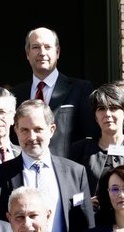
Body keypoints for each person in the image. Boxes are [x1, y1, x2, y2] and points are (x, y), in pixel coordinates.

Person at [0, 99, 95, 232]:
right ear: (16, 131)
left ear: (51, 130)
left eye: (38, 129)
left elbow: (86, 226)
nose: (32, 137)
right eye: (24, 130)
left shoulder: (75, 172)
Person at [68, 82, 124, 197]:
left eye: (113, 108)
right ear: (95, 116)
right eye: (101, 108)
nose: (107, 114)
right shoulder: (80, 149)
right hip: (94, 214)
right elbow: (70, 191)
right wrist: (85, 202)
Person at [18, 26, 94, 157]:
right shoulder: (16, 93)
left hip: (66, 170)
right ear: (27, 54)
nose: (42, 52)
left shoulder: (81, 89)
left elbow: (90, 135)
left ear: (57, 52)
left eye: (47, 47)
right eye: (36, 47)